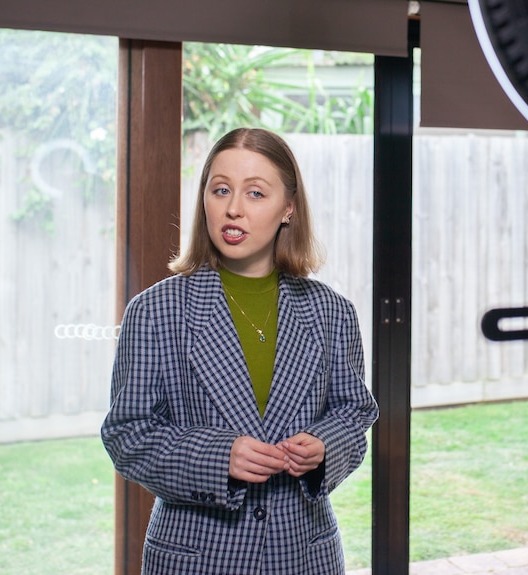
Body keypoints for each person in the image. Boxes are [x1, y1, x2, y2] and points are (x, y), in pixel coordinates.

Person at [101, 127, 378, 574]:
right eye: (221, 190)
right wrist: (218, 456)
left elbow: (353, 415)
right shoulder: (154, 311)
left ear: (288, 208)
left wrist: (323, 447)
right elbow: (127, 434)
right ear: (205, 200)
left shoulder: (332, 312)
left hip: (304, 556)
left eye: (255, 193)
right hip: (196, 560)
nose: (233, 208)